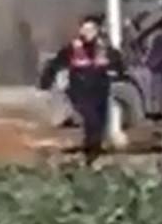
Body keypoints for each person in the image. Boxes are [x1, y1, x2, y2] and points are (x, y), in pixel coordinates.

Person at [39, 15, 126, 163]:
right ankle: (91, 154)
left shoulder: (105, 48)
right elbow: (54, 65)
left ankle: (93, 153)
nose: (87, 33)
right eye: (84, 29)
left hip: (100, 92)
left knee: (99, 125)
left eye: (91, 29)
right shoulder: (73, 48)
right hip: (79, 91)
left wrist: (118, 73)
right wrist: (45, 83)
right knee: (92, 120)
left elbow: (118, 64)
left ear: (97, 31)